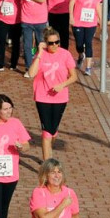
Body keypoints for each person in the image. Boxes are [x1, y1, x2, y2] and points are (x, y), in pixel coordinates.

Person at [28, 28, 78, 161]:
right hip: (42, 97)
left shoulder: (65, 54)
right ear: (45, 43)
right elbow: (31, 74)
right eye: (51, 43)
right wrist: (39, 53)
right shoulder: (41, 54)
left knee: (53, 131)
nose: (54, 45)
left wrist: (62, 85)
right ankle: (47, 164)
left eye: (57, 42)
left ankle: (50, 148)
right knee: (46, 132)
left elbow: (74, 77)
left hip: (60, 98)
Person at [12, 0, 50, 75]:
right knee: (27, 45)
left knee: (41, 44)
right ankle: (29, 68)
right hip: (26, 19)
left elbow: (42, 0)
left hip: (40, 20)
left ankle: (41, 66)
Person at [69, 0, 101, 76]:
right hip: (78, 20)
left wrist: (101, 18)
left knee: (88, 42)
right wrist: (71, 17)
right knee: (79, 43)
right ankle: (80, 54)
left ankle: (88, 67)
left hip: (91, 21)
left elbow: (97, 5)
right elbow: (72, 2)